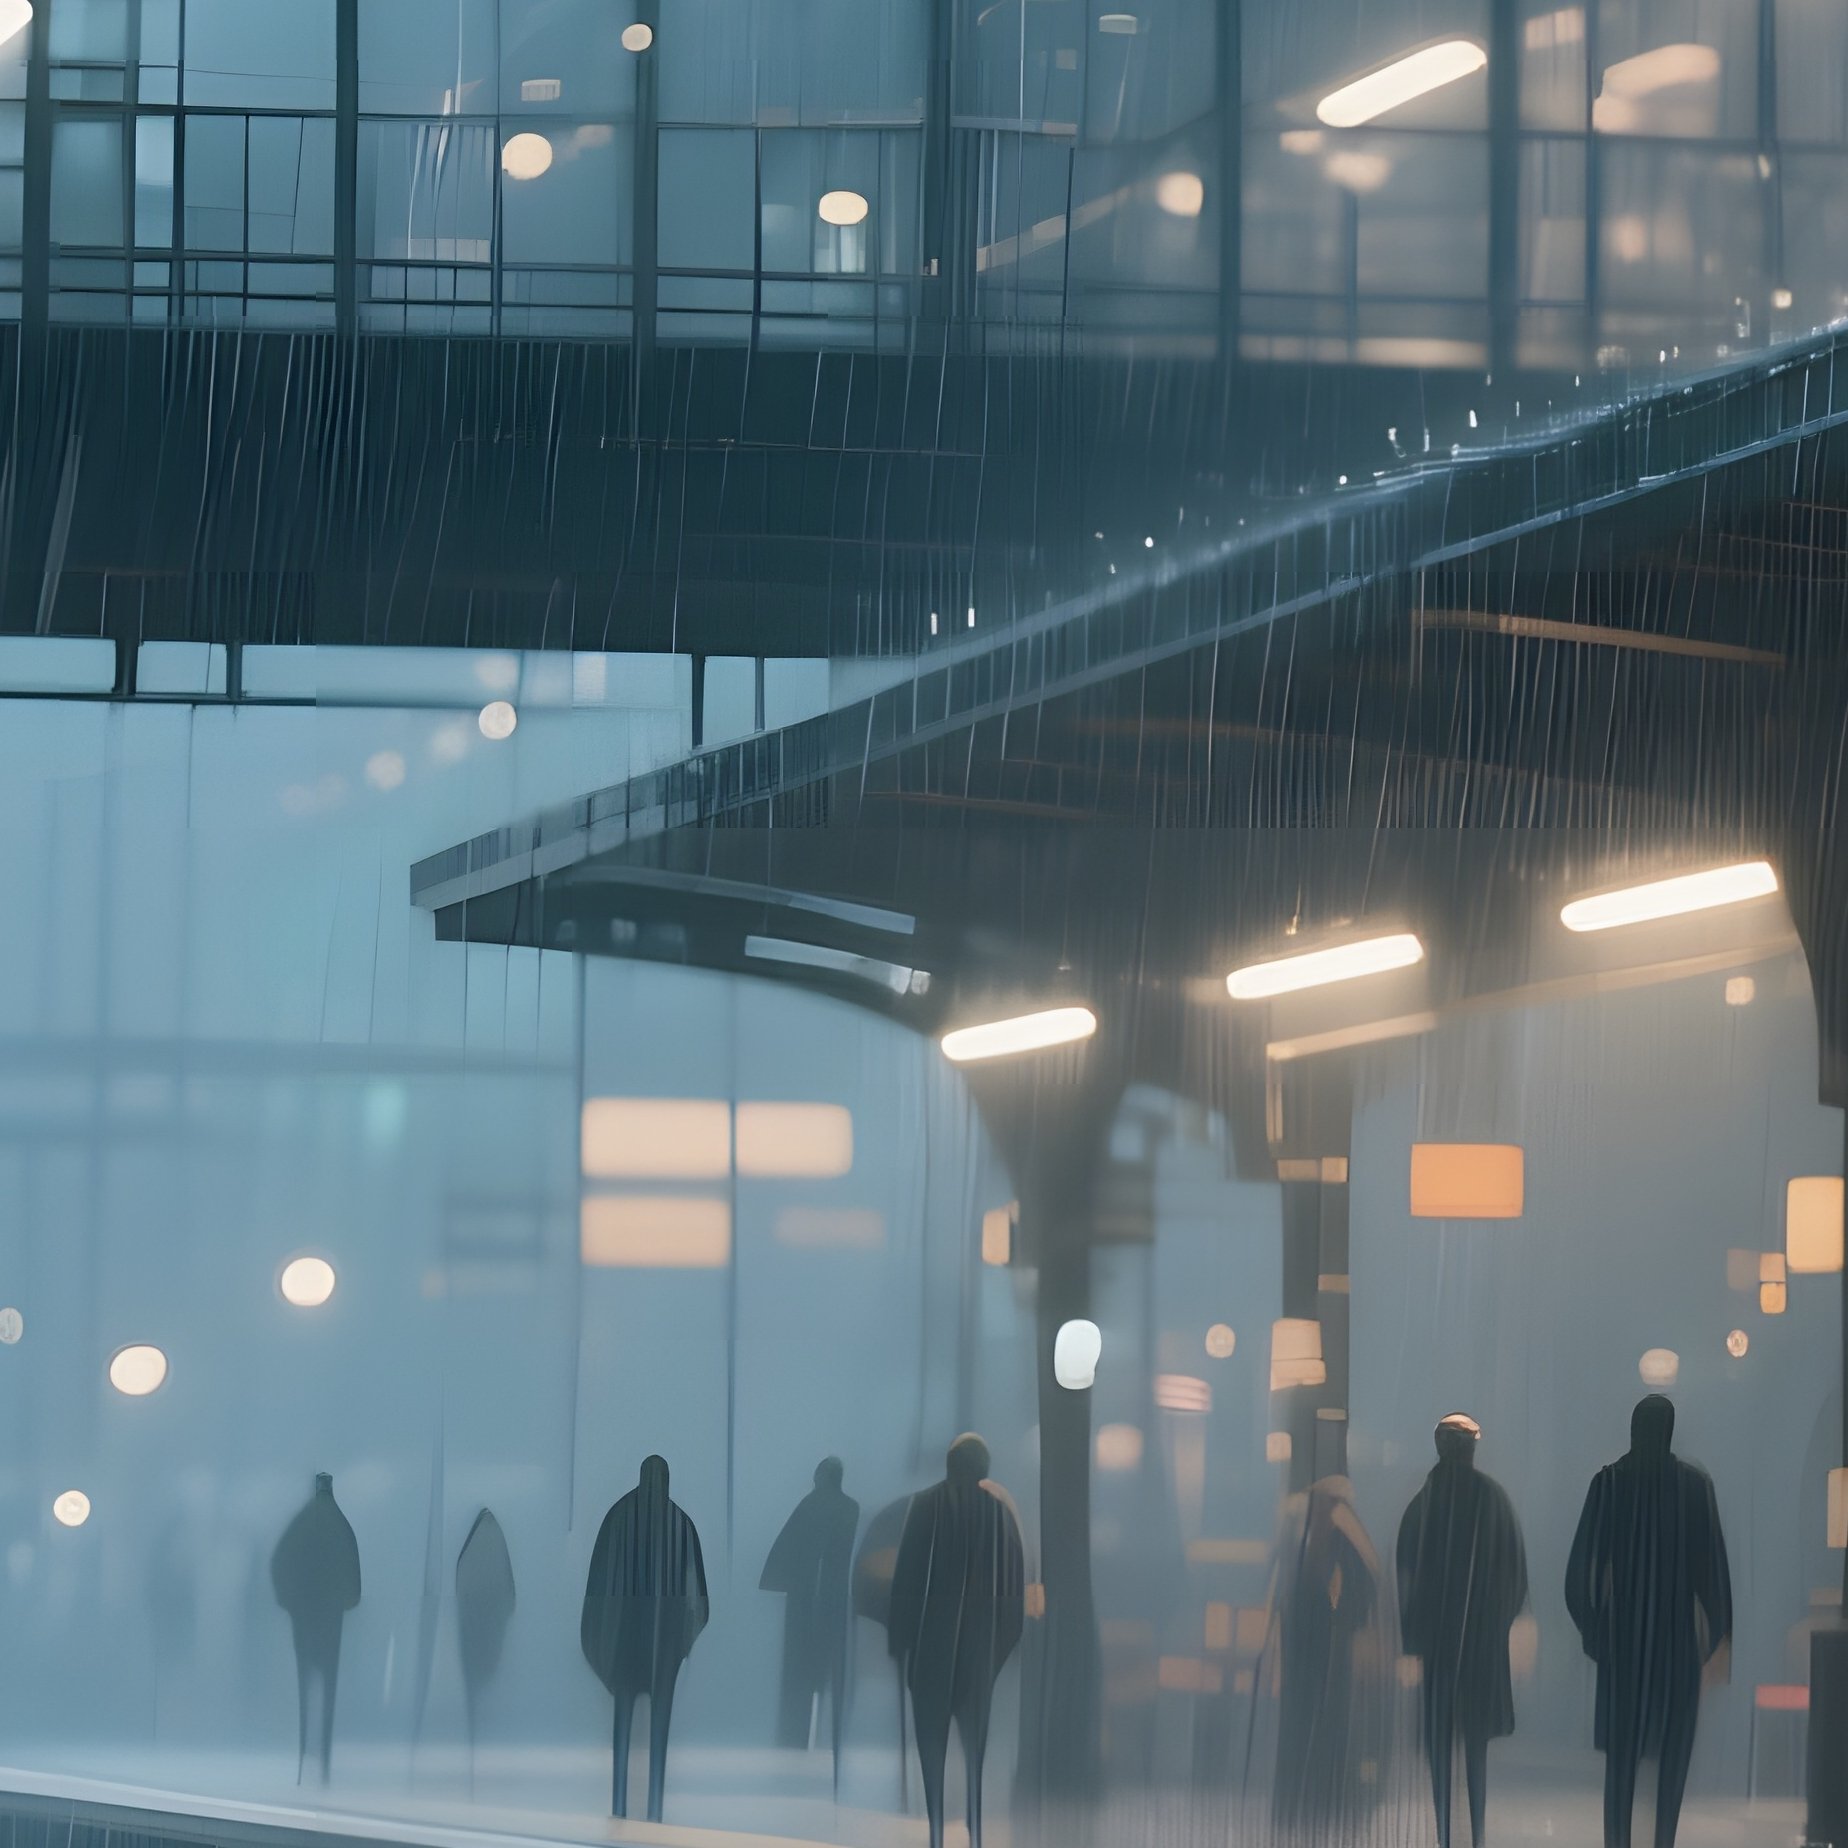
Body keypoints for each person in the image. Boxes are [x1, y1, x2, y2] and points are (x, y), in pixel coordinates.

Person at [1565, 1395, 1732, 1848]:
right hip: (1675, 1646)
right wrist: (1716, 1638)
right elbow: (1712, 1574)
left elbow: (1580, 1572)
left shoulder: (1610, 1485)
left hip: (1624, 1646)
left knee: (1622, 1765)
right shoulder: (1693, 1487)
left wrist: (1596, 1632)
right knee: (1670, 1763)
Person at [1396, 1414, 1529, 1848]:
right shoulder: (1492, 1499)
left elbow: (1407, 1577)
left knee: (1443, 1743)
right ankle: (1474, 1834)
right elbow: (1515, 1573)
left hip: (1439, 1645)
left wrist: (1415, 1640)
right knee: (1475, 1746)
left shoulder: (1424, 1501)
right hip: (1480, 1645)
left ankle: (1446, 1834)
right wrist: (1495, 1622)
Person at [887, 1434, 1025, 1848]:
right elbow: (1013, 1597)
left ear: (949, 1465)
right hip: (980, 1649)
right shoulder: (998, 1514)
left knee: (931, 1742)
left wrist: (902, 1645)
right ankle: (975, 1824)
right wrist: (997, 1653)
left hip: (932, 1644)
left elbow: (908, 1581)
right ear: (984, 1469)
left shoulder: (926, 1505)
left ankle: (935, 1827)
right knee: (974, 1746)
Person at [581, 1455, 709, 1821]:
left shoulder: (620, 1516)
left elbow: (597, 1589)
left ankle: (622, 1807)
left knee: (624, 1725)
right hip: (661, 1641)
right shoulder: (679, 1522)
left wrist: (600, 1636)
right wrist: (683, 1638)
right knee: (657, 1729)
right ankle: (652, 1810)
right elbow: (699, 1599)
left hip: (627, 1638)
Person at [1270, 1474, 1380, 1830]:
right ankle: (1311, 1795)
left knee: (1329, 1717)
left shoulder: (1336, 1539)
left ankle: (1326, 1796)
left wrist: (1342, 1621)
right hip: (1307, 1644)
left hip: (1328, 1646)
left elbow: (1362, 1588)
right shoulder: (1305, 1537)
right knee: (1308, 1716)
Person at [760, 1457, 860, 1783]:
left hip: (804, 1604)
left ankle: (794, 1747)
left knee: (799, 1677)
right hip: (833, 1605)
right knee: (828, 1674)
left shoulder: (809, 1505)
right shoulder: (850, 1508)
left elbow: (786, 1551)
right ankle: (829, 1749)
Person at [270, 1473, 362, 1783]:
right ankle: (319, 1764)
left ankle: (310, 1763)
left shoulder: (303, 1523)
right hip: (325, 1613)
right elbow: (352, 1575)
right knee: (326, 1683)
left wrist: (289, 1599)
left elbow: (281, 1562)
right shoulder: (337, 1523)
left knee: (307, 1680)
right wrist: (347, 1599)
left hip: (308, 1611)